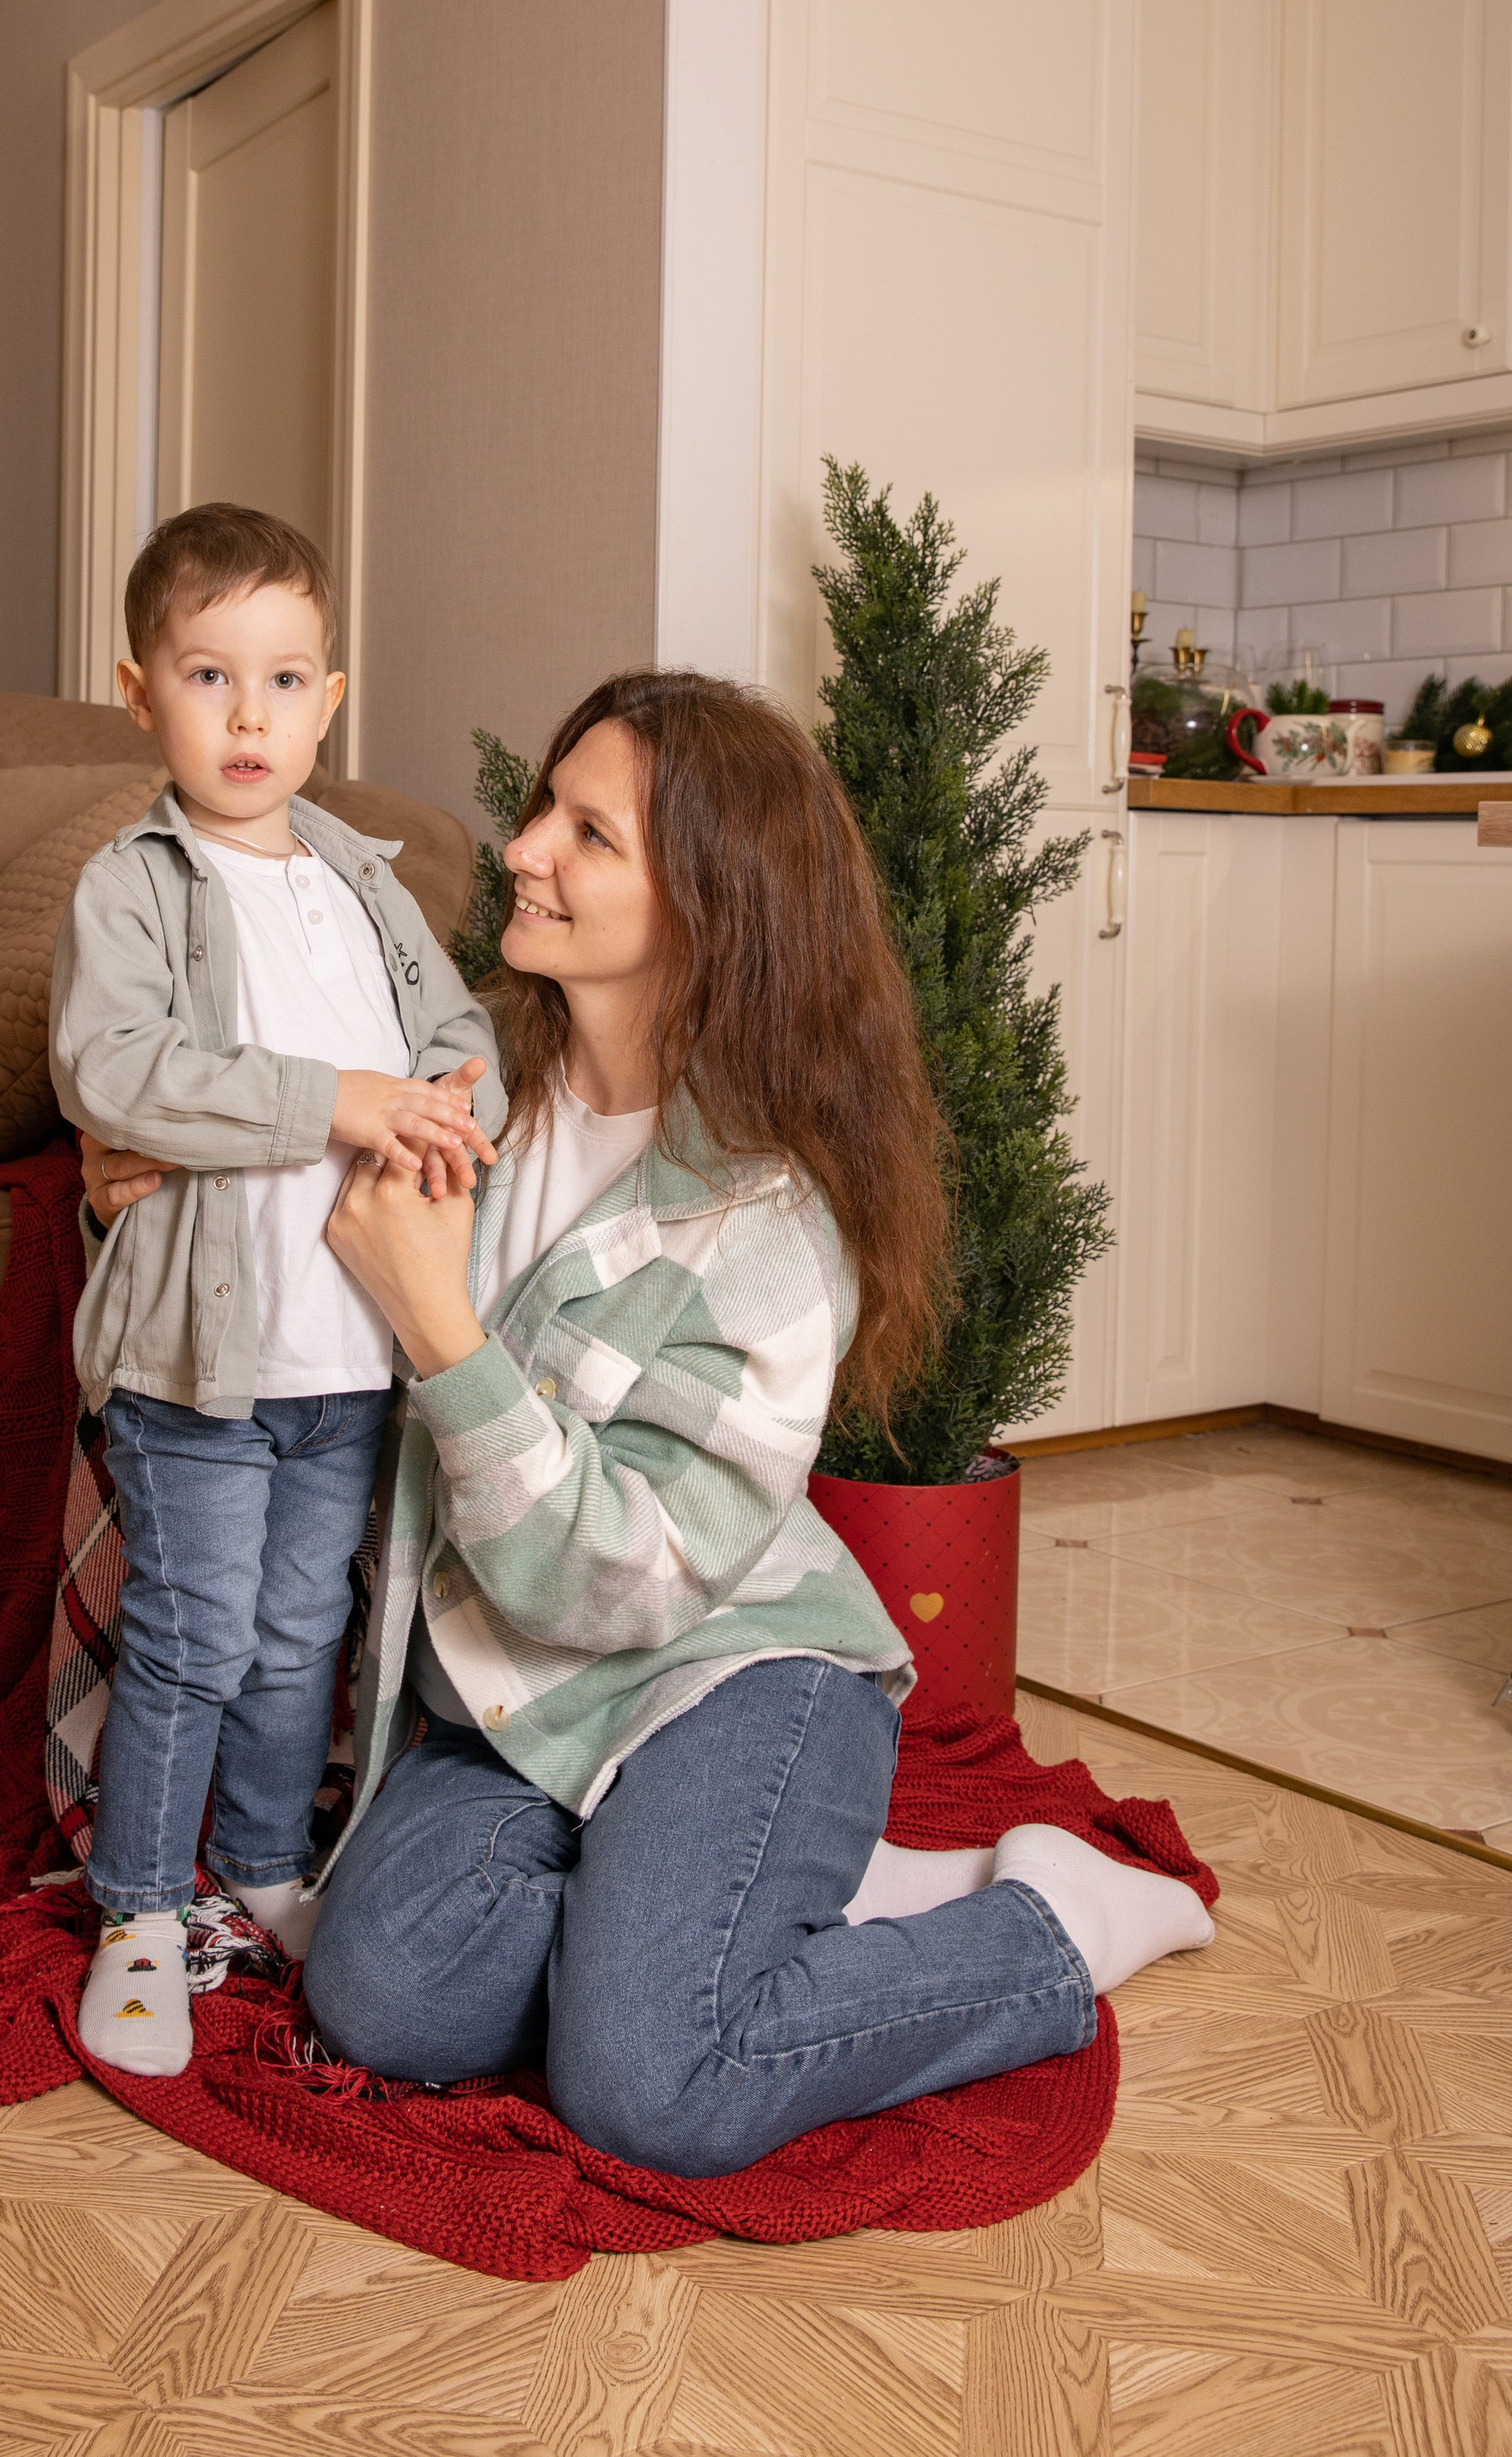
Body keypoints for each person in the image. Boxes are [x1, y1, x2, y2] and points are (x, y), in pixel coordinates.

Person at [86, 668, 1213, 2177]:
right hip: (518, 1692)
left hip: (728, 1667)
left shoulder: (767, 1224)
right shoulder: (462, 1077)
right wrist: (143, 1170)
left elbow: (615, 1584)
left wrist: (440, 1325)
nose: (525, 848)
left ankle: (1047, 1926)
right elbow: (243, 1116)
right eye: (545, 805)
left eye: (587, 833)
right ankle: (762, 1894)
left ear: (706, 907)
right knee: (379, 2000)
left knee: (656, 2086)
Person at [50, 502, 505, 2078]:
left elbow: (459, 1040)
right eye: (207, 675)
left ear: (328, 697)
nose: (248, 718)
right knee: (189, 1628)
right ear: (139, 691)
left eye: (283, 680)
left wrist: (460, 1091)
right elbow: (114, 1071)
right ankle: (134, 1913)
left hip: (347, 1357)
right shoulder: (133, 888)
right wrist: (339, 1102)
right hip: (201, 1353)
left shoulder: (361, 882)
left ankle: (253, 1872)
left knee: (301, 1624)